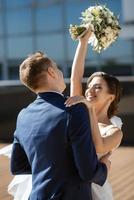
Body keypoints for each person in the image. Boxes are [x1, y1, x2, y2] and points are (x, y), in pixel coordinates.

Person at [8, 51, 111, 200]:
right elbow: (88, 172)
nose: (60, 72)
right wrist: (104, 168)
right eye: (57, 68)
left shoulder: (23, 115)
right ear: (51, 72)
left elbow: (18, 166)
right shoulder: (74, 109)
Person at [65, 30, 123, 199]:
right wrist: (83, 43)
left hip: (94, 193)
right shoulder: (80, 111)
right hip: (67, 187)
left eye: (97, 87)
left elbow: (99, 146)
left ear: (111, 96)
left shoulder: (114, 131)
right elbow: (76, 79)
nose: (90, 90)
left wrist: (89, 109)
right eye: (89, 86)